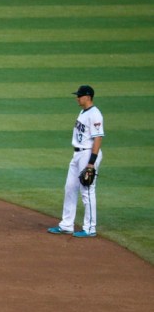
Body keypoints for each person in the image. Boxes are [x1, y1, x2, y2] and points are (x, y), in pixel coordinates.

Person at [48, 85, 104, 238]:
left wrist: (91, 163)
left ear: (88, 97)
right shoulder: (83, 112)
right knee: (70, 187)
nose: (77, 98)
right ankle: (66, 225)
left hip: (88, 154)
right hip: (78, 154)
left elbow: (98, 139)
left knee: (87, 190)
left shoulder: (95, 114)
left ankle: (90, 228)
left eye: (79, 95)